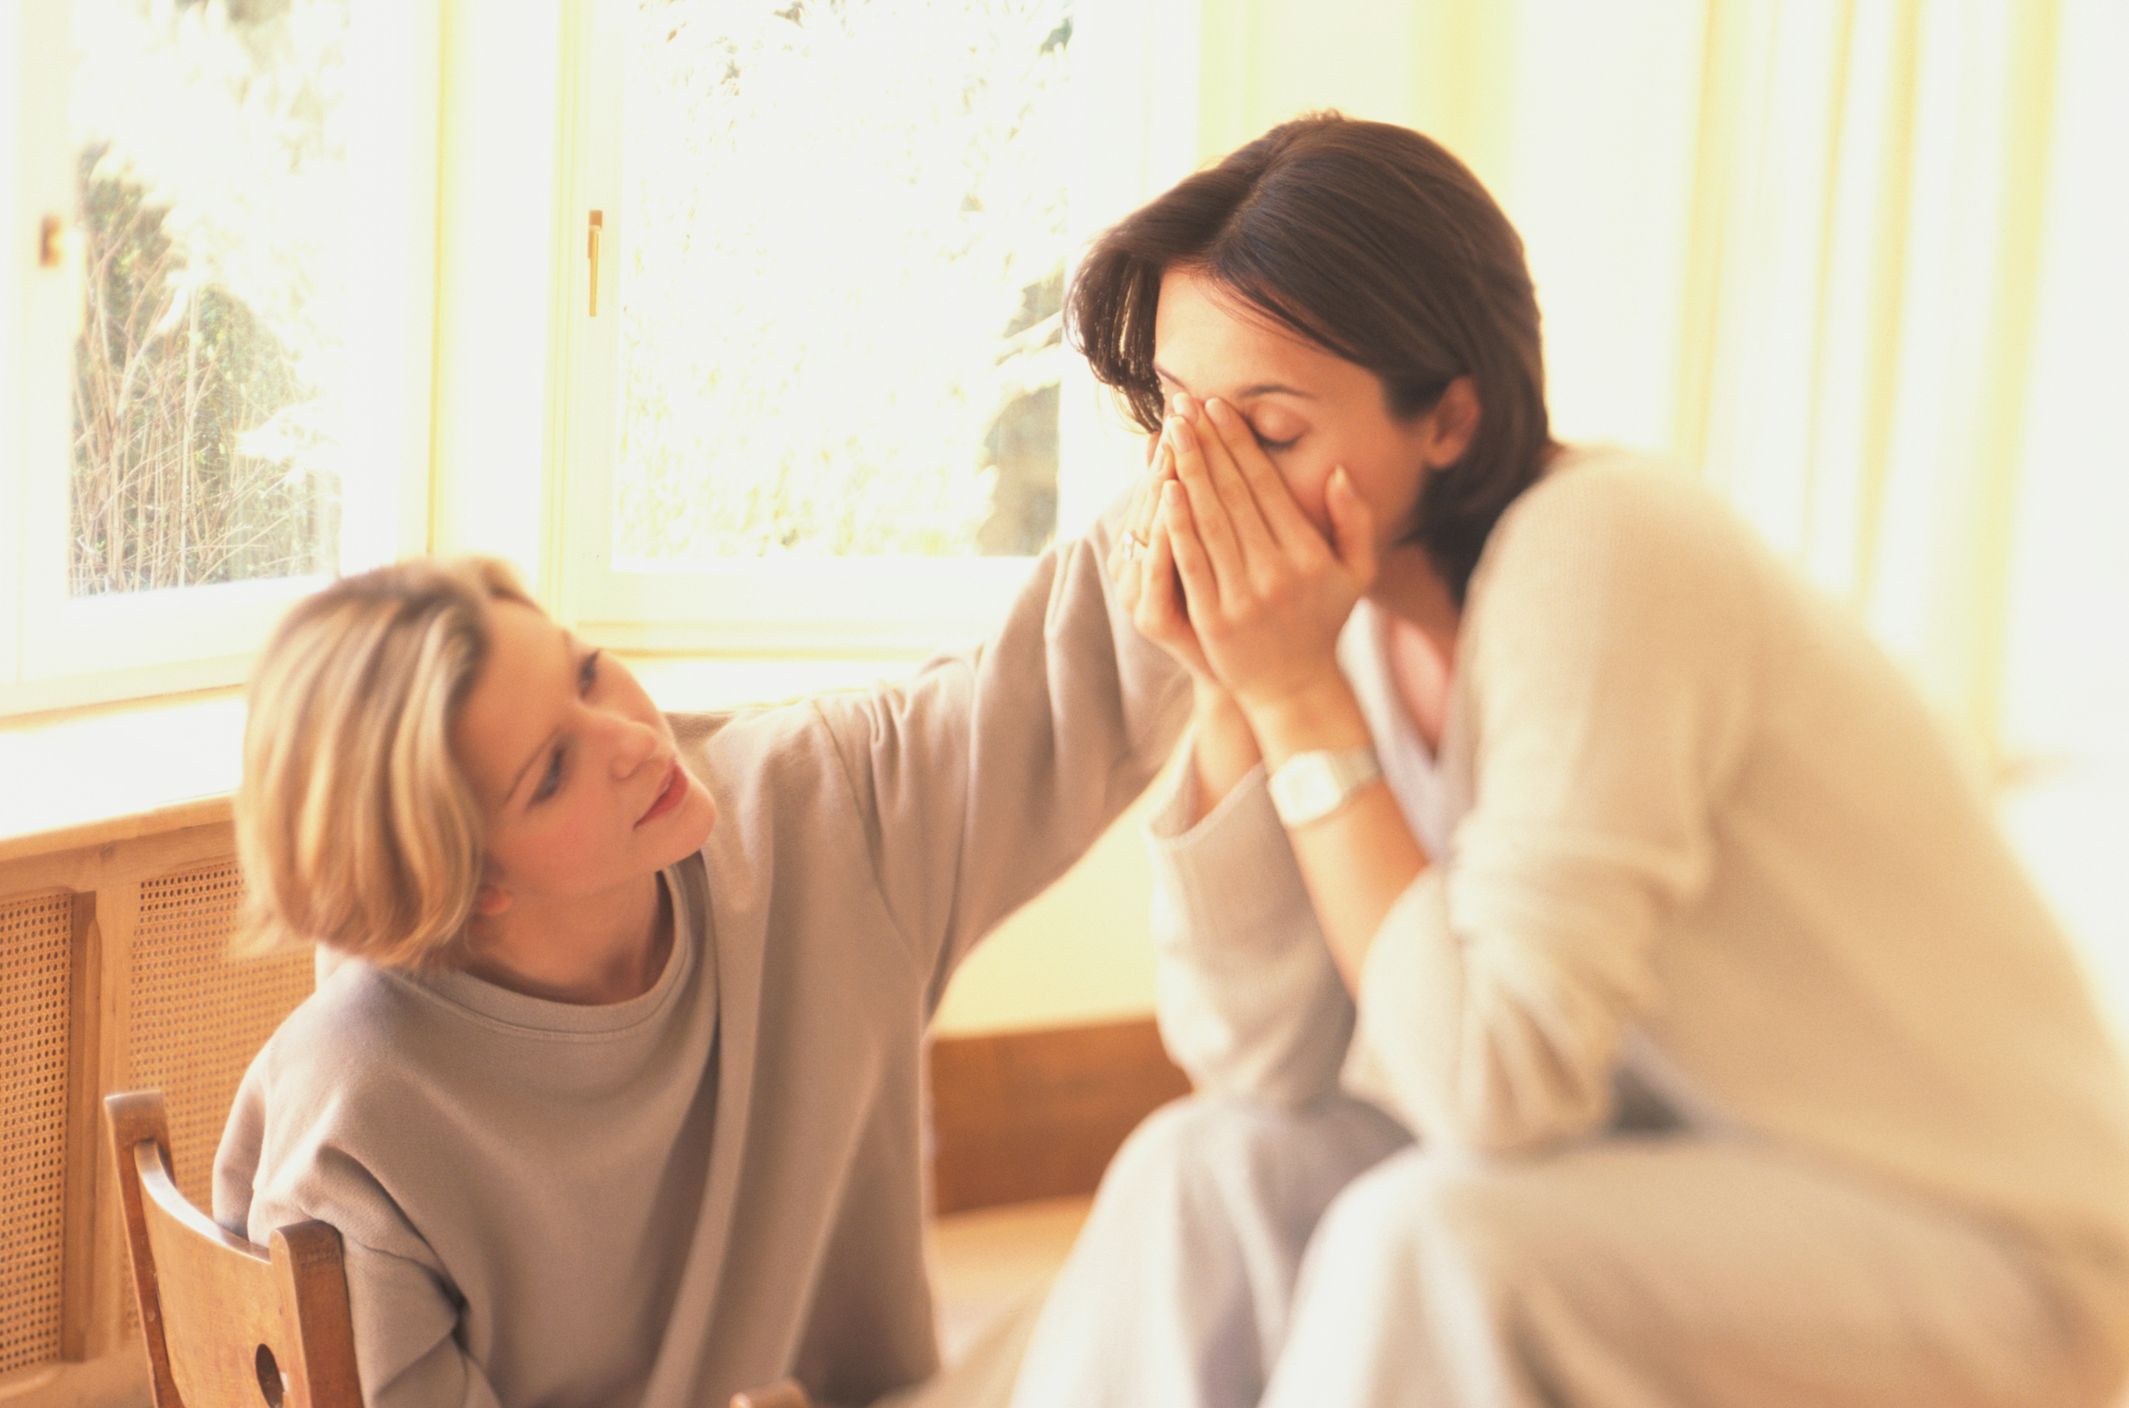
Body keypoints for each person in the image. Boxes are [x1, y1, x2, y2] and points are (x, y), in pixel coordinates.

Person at [1006, 113, 2129, 1408]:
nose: (1207, 492)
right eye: (1175, 424)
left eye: (1263, 435)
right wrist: (1235, 697)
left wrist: (1298, 695)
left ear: (1450, 419)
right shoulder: (1352, 615)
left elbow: (1493, 1092)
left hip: (1988, 1247)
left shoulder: (1607, 550)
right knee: (1203, 1164)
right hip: (1683, 1170)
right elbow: (1257, 1064)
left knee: (1432, 1244)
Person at [211, 489, 1192, 1404]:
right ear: (468, 889)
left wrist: (1227, 431)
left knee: (1190, 1215)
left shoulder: (813, 811)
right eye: (553, 770)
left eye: (587, 671)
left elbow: (1076, 661)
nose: (633, 738)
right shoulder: (357, 1122)